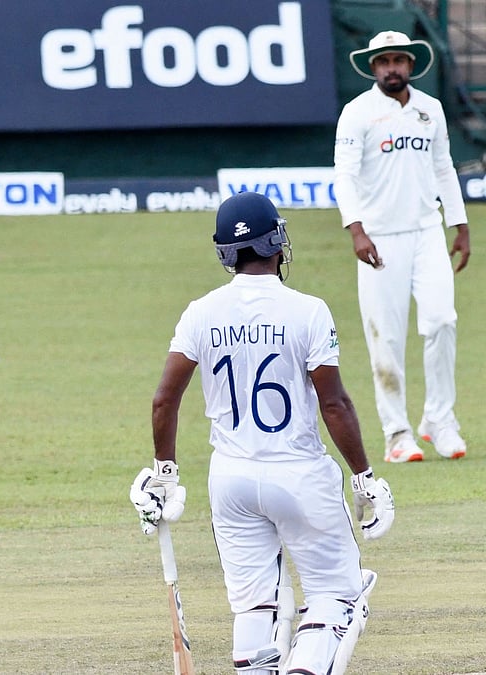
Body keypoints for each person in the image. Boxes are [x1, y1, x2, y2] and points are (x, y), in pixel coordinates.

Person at [129, 191, 396, 674]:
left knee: (255, 610)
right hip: (298, 474)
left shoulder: (201, 312)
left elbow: (163, 400)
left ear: (225, 253)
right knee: (337, 598)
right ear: (276, 242)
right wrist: (364, 477)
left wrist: (165, 473)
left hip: (230, 480)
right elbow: (334, 403)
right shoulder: (308, 310)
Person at [333, 30, 471, 463]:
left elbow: (444, 168)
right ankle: (398, 434)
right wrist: (356, 230)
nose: (392, 68)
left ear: (411, 65)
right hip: (380, 240)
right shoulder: (358, 113)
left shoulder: (431, 110)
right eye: (384, 61)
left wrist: (459, 224)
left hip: (427, 233)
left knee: (442, 321)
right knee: (386, 340)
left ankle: (440, 422)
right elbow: (345, 177)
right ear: (373, 67)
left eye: (399, 60)